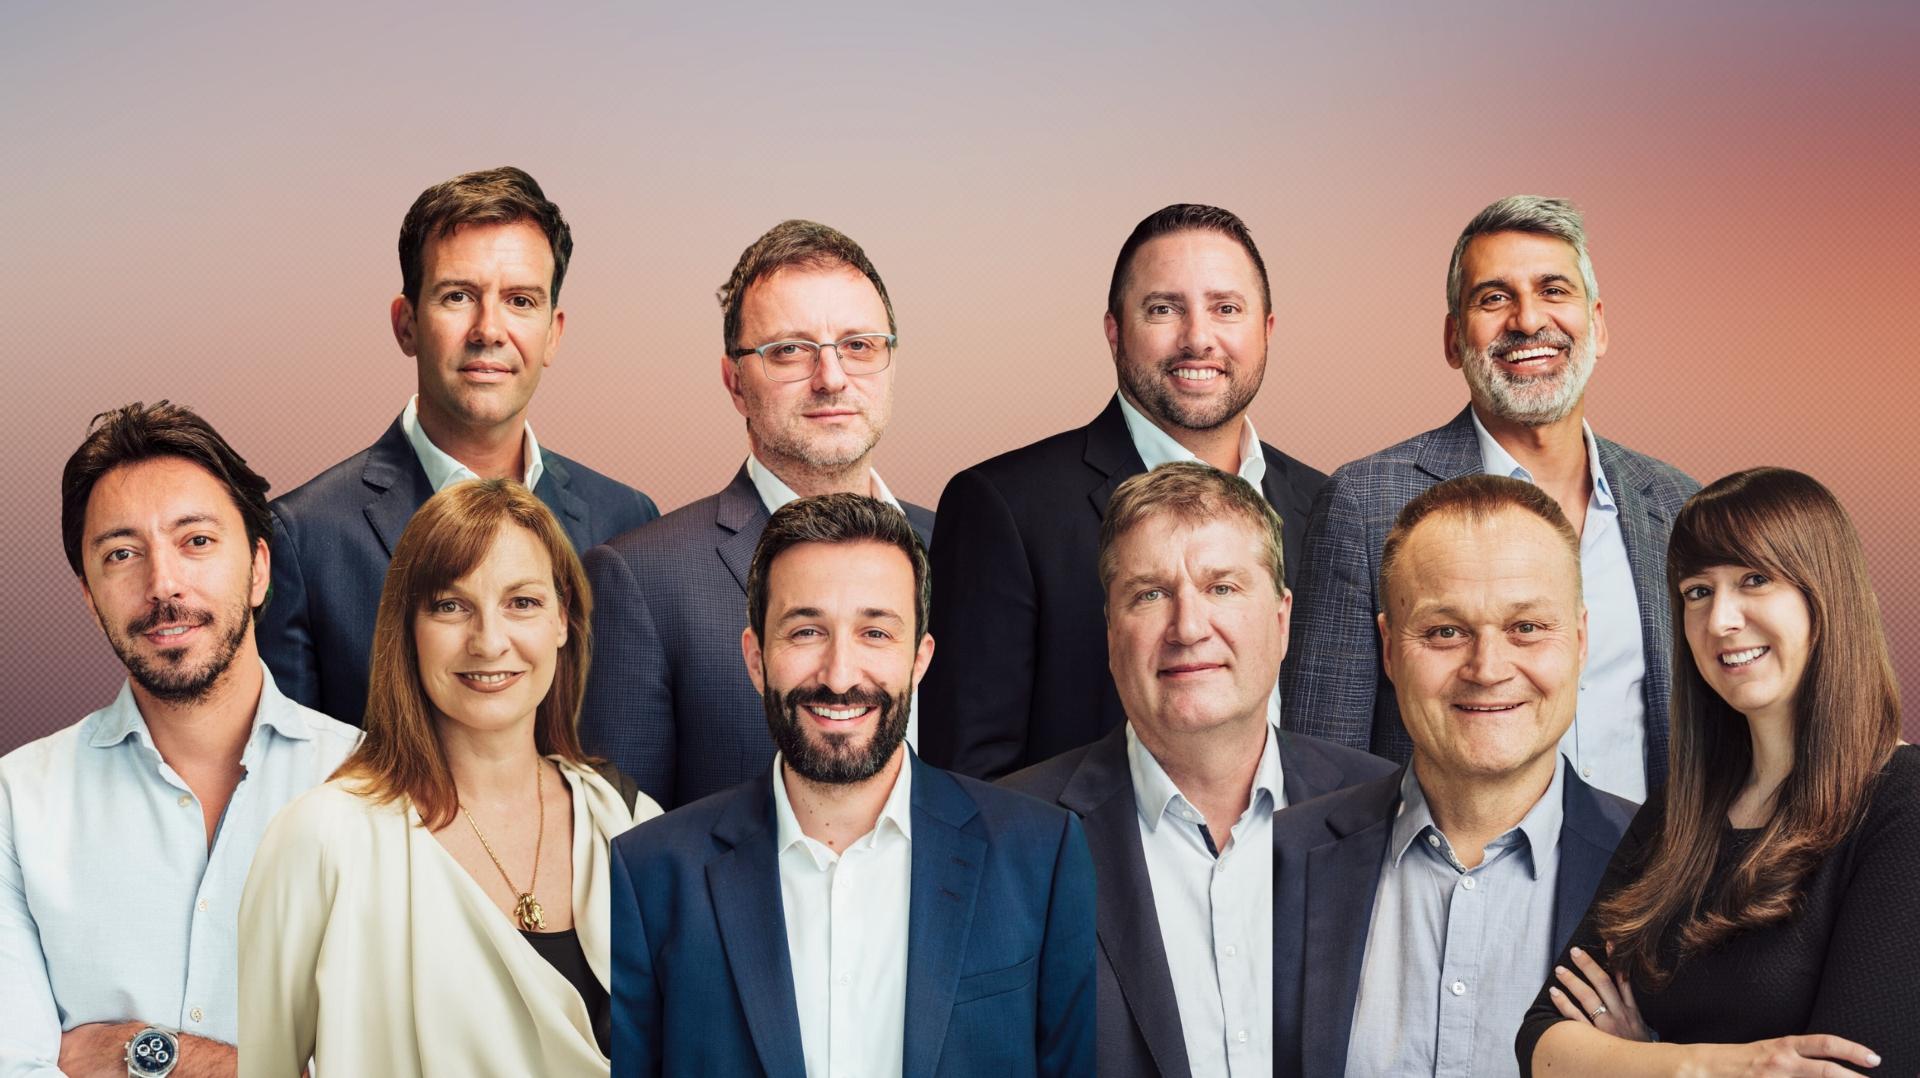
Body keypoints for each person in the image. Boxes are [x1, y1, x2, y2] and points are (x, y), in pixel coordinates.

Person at [610, 494, 1095, 1076]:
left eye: (876, 633)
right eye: (806, 631)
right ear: (756, 659)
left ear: (920, 658)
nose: (839, 676)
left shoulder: (1041, 856)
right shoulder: (648, 874)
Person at [239, 479, 659, 1076]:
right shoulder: (320, 839)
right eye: (450, 606)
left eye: (522, 603)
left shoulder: (631, 823)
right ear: (407, 627)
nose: (489, 642)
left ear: (563, 619)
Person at [1284, 195, 1697, 802]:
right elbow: (1322, 770)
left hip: (1652, 863)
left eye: (1553, 290)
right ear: (1454, 339)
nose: (1527, 320)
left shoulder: (1677, 505)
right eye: (1495, 298)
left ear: (1598, 324)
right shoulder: (1364, 504)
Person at [1517, 468, 1917, 1076]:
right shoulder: (1680, 810)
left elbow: (1856, 1070)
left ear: (1826, 593)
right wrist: (1702, 1067)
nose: (1720, 620)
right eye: (1697, 591)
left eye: (1754, 579)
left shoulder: (1902, 804)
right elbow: (1541, 1041)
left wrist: (1627, 1060)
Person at [1, 402, 358, 1077]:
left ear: (258, 570)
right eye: (122, 553)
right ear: (89, 598)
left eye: (196, 541)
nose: (162, 584)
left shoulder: (373, 785)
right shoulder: (16, 803)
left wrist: (145, 1055)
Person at [1003, 461, 1392, 1078]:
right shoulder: (1009, 837)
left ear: (1282, 620)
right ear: (1111, 634)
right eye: (1150, 594)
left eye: (1223, 588)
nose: (1187, 627)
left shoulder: (1388, 811)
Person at [924, 203, 1327, 781]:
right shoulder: (1004, 508)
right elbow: (968, 785)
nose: (1198, 338)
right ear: (1115, 332)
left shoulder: (1326, 507)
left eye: (1226, 308)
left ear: (1266, 330)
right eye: (1163, 309)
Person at [256, 166, 658, 727]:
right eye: (458, 296)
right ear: (406, 324)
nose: (488, 329)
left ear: (553, 333)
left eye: (520, 300)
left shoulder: (627, 520)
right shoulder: (303, 537)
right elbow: (291, 761)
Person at [1272, 475, 1636, 1078]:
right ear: (1389, 649)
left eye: (1526, 627)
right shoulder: (1273, 864)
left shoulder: (1669, 873)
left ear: (1579, 641)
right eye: (1446, 631)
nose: (1487, 669)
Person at [579, 220, 932, 809]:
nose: (832, 379)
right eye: (790, 350)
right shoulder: (640, 580)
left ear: (891, 363)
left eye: (859, 346)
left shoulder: (960, 549)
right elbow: (630, 842)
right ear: (735, 383)